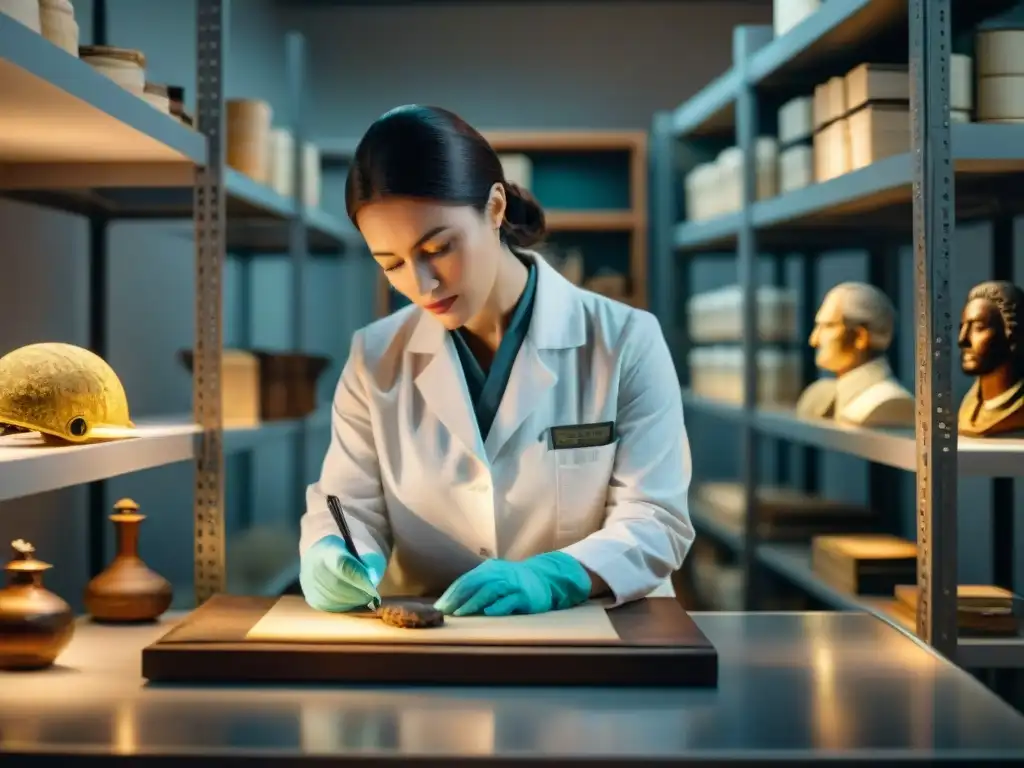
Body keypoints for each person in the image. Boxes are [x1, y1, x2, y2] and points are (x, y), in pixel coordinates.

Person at [298, 105, 694, 617]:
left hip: (595, 638)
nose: (420, 285)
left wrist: (559, 576)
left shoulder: (625, 340)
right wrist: (334, 552)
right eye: (390, 263)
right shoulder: (374, 357)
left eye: (438, 247)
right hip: (441, 647)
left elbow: (656, 517)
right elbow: (348, 505)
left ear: (495, 207)